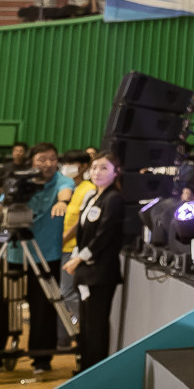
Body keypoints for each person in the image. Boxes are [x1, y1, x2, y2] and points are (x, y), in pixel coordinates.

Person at [0, 142, 68, 372]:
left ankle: (42, 359)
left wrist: (62, 202)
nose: (48, 164)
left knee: (43, 309)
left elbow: (66, 193)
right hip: (15, 253)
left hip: (46, 255)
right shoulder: (20, 182)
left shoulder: (62, 181)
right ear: (32, 163)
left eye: (52, 159)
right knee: (5, 308)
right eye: (42, 159)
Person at [64, 156, 126, 372]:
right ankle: (85, 366)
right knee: (87, 323)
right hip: (85, 270)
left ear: (116, 172)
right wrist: (76, 255)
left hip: (101, 271)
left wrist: (80, 258)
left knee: (97, 323)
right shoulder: (91, 196)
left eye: (104, 168)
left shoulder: (114, 199)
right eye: (94, 167)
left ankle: (95, 370)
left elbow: (105, 234)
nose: (97, 172)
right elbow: (84, 233)